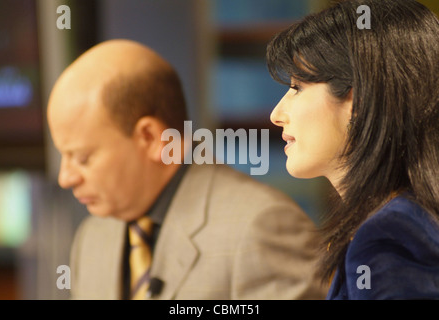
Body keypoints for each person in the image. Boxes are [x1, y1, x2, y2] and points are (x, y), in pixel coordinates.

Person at [47, 39, 327, 300]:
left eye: (82, 157)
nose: (65, 178)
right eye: (62, 155)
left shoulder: (260, 226)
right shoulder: (93, 236)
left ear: (151, 138)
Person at [267, 0, 439, 300]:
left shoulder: (390, 234)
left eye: (297, 86)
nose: (276, 114)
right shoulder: (405, 219)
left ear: (358, 100)